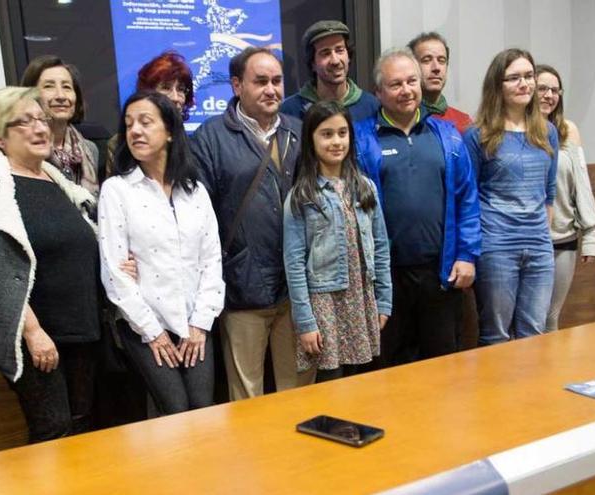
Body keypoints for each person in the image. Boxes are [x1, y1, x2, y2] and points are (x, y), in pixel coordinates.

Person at [0, 87, 102, 443]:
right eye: (25, 122)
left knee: (81, 426)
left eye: (42, 119)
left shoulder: (57, 179)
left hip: (81, 328)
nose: (40, 129)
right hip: (36, 336)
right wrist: (33, 332)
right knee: (53, 430)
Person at [190, 47, 315, 400]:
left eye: (276, 81)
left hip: (296, 291)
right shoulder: (209, 138)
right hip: (242, 288)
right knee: (246, 398)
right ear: (236, 85)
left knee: (301, 393)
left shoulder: (299, 132)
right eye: (260, 81)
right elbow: (200, 219)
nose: (271, 89)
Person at [99, 91, 224, 414]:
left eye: (145, 122)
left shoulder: (194, 191)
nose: (135, 131)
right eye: (129, 125)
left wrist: (200, 324)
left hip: (194, 322)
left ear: (169, 131)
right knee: (176, 410)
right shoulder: (117, 190)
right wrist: (153, 333)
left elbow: (211, 262)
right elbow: (114, 272)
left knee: (201, 408)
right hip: (144, 324)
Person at [353, 49, 480, 366]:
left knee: (441, 369)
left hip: (440, 273)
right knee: (385, 370)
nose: (406, 90)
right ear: (379, 92)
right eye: (395, 84)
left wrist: (467, 256)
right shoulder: (362, 139)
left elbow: (468, 199)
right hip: (384, 279)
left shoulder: (447, 135)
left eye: (412, 81)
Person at [283, 101, 391, 382]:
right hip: (324, 303)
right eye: (327, 134)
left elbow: (381, 247)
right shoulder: (302, 195)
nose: (336, 141)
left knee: (359, 381)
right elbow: (294, 264)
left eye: (342, 133)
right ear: (311, 139)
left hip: (361, 297)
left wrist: (384, 301)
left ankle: (354, 428)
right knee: (330, 382)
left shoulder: (365, 188)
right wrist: (305, 321)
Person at [463, 48, 559, 346]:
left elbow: (549, 193)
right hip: (496, 246)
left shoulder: (548, 132)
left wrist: (541, 235)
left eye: (529, 76)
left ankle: (528, 394)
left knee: (534, 333)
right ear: (498, 85)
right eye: (514, 78)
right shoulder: (478, 134)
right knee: (496, 335)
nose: (524, 84)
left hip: (539, 247)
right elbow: (468, 196)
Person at [0, 56, 100, 196]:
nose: (61, 96)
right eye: (49, 86)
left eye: (67, 87)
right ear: (29, 94)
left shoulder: (90, 149)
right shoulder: (15, 149)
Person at [536, 64, 595, 331]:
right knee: (528, 318)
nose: (549, 95)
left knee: (550, 317)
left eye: (555, 90)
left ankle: (548, 371)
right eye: (542, 88)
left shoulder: (568, 130)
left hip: (563, 239)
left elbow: (582, 186)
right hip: (526, 240)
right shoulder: (515, 132)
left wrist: (590, 239)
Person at [104, 51, 196, 179]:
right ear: (147, 93)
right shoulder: (120, 144)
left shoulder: (195, 143)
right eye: (166, 87)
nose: (175, 97)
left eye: (180, 89)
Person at [280, 20, 379, 122]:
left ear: (348, 56)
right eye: (325, 53)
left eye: (339, 50)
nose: (335, 61)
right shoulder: (291, 111)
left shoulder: (371, 106)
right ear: (312, 63)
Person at [408, 32, 472, 135]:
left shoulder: (463, 122)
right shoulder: (402, 119)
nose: (436, 68)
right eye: (426, 60)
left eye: (441, 61)